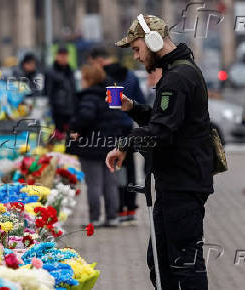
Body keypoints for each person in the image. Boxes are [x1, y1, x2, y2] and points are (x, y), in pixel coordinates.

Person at [105, 15, 213, 289]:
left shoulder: (178, 77)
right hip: (175, 183)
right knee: (162, 264)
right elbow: (164, 120)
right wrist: (134, 108)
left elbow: (162, 131)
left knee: (183, 265)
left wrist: (124, 144)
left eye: (137, 49)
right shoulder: (177, 72)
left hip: (182, 184)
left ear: (152, 41)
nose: (137, 57)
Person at [89, 47, 146, 223]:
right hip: (128, 128)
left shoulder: (103, 79)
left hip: (110, 131)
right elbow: (141, 102)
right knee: (129, 169)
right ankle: (130, 208)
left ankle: (118, 207)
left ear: (99, 61)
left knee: (113, 169)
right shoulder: (131, 76)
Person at [66, 64, 122, 227]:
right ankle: (112, 217)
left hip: (91, 146)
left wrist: (75, 128)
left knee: (94, 184)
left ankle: (95, 218)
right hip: (110, 144)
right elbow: (118, 117)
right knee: (110, 183)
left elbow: (85, 116)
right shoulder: (111, 95)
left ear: (89, 79)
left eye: (83, 78)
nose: (81, 82)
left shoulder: (89, 97)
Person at [44, 46, 76, 134]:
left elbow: (73, 90)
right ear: (56, 56)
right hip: (57, 111)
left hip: (71, 110)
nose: (63, 58)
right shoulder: (50, 72)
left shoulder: (71, 71)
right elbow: (47, 91)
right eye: (61, 55)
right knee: (57, 136)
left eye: (65, 55)